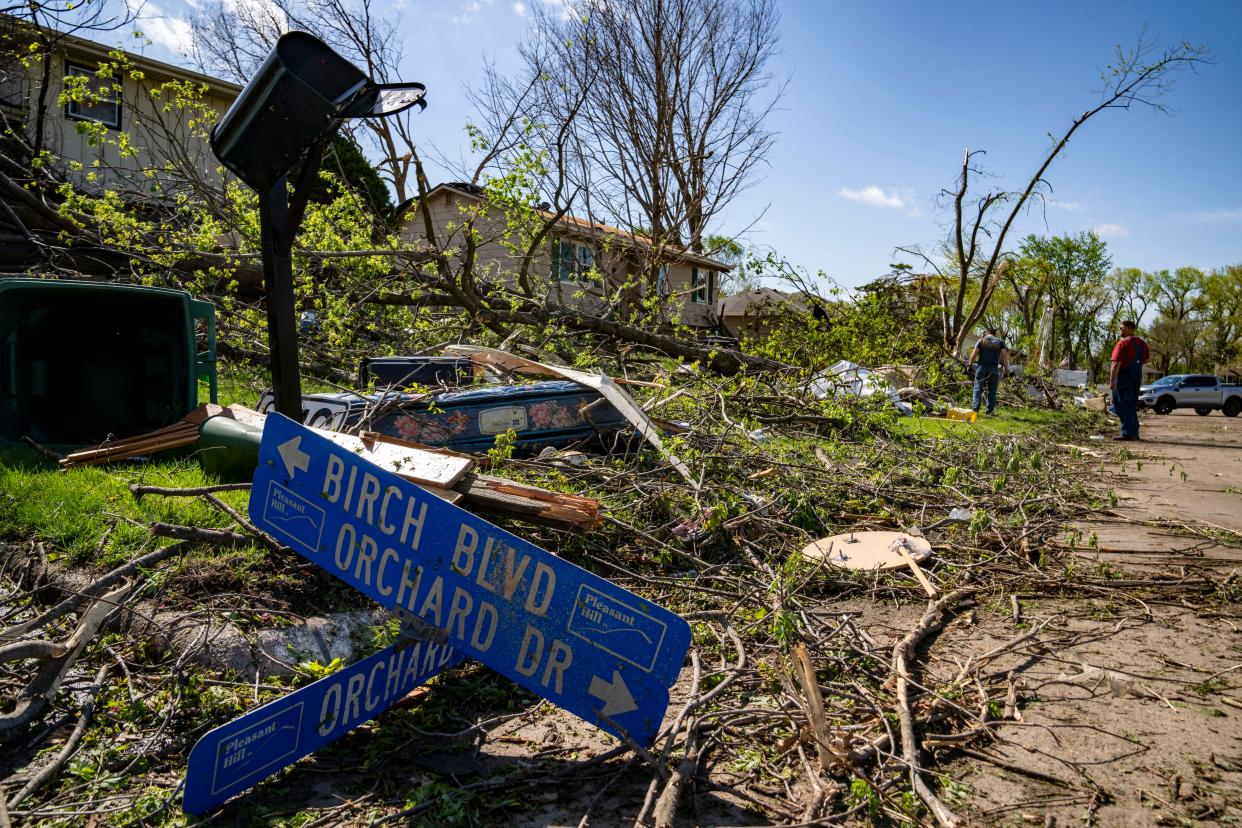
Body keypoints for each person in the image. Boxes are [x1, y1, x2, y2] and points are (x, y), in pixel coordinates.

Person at [1109, 319, 1148, 441]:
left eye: (1121, 328)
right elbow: (1146, 360)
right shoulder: (1142, 344)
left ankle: (1127, 433)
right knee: (1131, 405)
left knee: (1122, 405)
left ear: (1127, 328)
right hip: (1136, 377)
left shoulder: (1123, 343)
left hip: (1124, 377)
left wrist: (1112, 381)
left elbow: (1116, 363)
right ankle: (1134, 432)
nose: (1120, 330)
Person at [967, 328, 1010, 415]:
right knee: (992, 390)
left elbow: (974, 354)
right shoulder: (1000, 342)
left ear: (987, 333)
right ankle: (990, 412)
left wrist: (969, 365)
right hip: (993, 369)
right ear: (995, 334)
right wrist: (1006, 370)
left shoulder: (981, 340)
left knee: (977, 388)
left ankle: (975, 410)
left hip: (981, 367)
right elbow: (1004, 357)